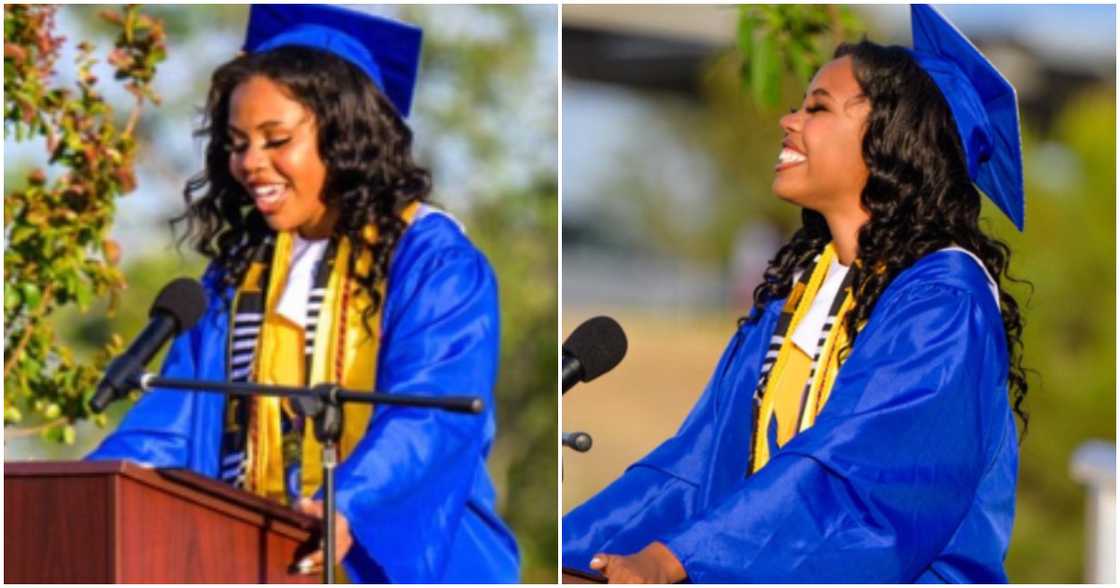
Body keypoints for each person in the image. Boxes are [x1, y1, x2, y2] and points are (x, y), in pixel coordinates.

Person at [562, 5, 1027, 583]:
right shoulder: (804, 289)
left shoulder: (944, 301)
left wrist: (676, 559)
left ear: (894, 141)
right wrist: (581, 551)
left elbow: (857, 481)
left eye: (818, 108)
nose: (787, 120)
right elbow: (698, 462)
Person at [87, 5, 519, 583]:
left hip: (405, 563)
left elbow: (431, 414)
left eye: (276, 139)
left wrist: (350, 502)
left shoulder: (432, 261)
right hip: (258, 562)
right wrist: (87, 492)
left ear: (344, 136)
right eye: (238, 143)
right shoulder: (238, 273)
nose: (250, 164)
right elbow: (171, 422)